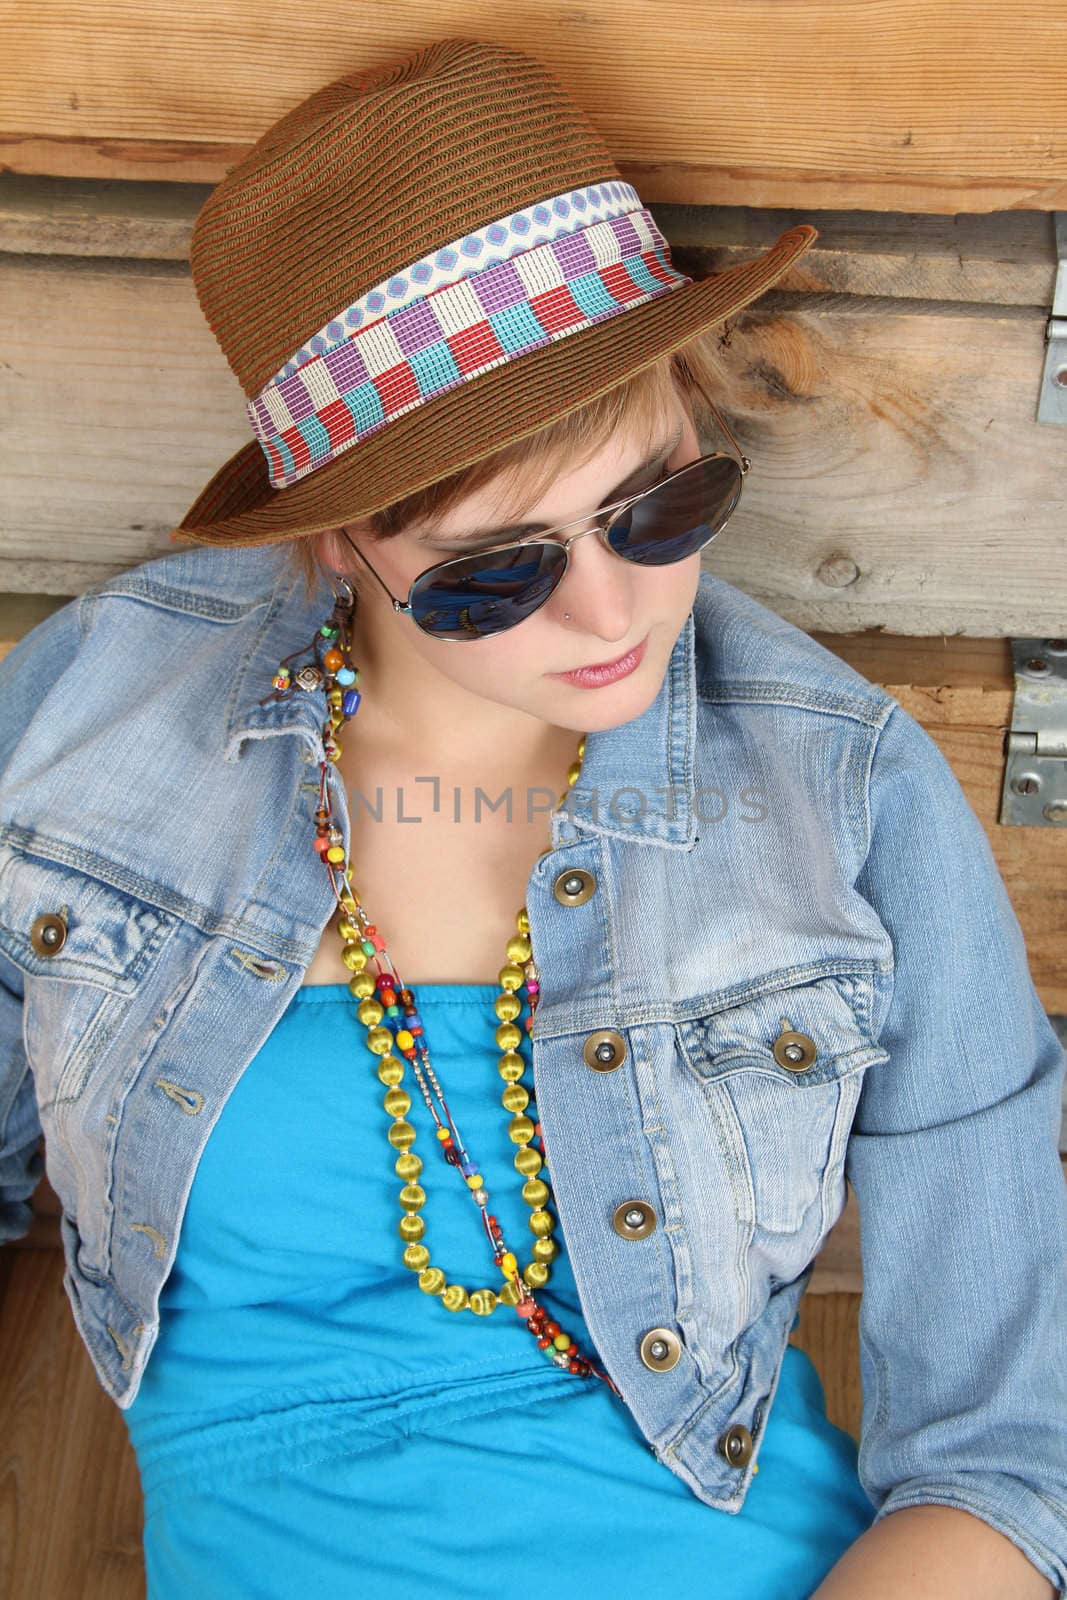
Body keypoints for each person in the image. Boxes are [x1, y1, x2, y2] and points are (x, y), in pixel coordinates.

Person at [1, 36, 1064, 1600]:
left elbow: (1005, 1453)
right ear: (334, 549)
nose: (614, 609)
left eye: (661, 509)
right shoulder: (97, 720)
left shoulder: (846, 785)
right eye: (496, 570)